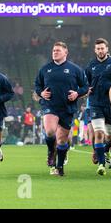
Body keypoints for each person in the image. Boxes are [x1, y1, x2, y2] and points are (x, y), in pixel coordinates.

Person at [34, 42, 89, 176]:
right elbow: (37, 85)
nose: (55, 52)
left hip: (67, 107)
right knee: (50, 132)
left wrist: (77, 93)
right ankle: (51, 152)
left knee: (62, 139)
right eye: (53, 50)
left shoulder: (75, 69)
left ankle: (59, 166)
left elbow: (85, 87)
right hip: (50, 105)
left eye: (58, 50)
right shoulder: (45, 69)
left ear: (66, 52)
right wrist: (41, 93)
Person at [85, 38, 111, 176]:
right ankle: (101, 164)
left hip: (110, 104)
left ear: (107, 49)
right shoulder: (91, 64)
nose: (100, 51)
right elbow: (85, 81)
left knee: (110, 137)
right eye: (98, 49)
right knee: (98, 133)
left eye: (102, 48)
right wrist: (86, 88)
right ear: (95, 50)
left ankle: (104, 151)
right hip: (95, 103)